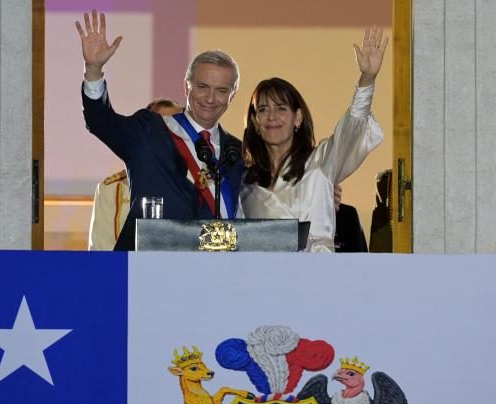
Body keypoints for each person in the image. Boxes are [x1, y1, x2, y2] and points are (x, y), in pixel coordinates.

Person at [76, 10, 243, 251]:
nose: (210, 98)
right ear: (187, 87)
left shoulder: (235, 151)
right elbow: (100, 121)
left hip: (208, 276)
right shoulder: (150, 130)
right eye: (203, 86)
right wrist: (93, 71)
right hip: (144, 270)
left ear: (232, 95)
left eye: (222, 90)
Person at [238, 27, 388, 252]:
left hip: (316, 276)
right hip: (262, 280)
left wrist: (367, 78)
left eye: (281, 108)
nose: (271, 117)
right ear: (254, 121)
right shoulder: (245, 182)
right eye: (262, 109)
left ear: (297, 118)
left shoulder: (320, 162)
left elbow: (351, 129)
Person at [88, 98, 183, 251]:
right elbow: (101, 253)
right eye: (162, 129)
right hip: (126, 272)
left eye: (177, 129)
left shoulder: (202, 184)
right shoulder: (112, 189)